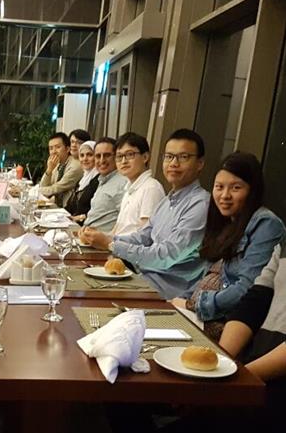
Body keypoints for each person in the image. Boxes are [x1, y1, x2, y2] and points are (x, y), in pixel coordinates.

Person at [73, 238, 286, 433]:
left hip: (277, 392)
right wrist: (222, 363)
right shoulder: (282, 249)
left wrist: (240, 380)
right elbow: (253, 304)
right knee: (127, 391)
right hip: (256, 369)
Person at [171, 152, 285, 335]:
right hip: (199, 314)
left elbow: (247, 288)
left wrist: (192, 304)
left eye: (235, 188)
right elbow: (206, 276)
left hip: (227, 324)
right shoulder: (228, 223)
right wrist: (181, 300)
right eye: (219, 187)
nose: (224, 195)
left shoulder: (266, 224)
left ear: (252, 190)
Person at [89, 129, 210, 299]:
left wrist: (111, 245)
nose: (174, 163)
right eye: (169, 157)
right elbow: (143, 236)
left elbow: (167, 255)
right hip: (143, 279)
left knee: (91, 297)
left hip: (167, 292)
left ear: (200, 163)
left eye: (183, 157)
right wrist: (105, 239)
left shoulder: (200, 204)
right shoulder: (168, 200)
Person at [80, 132, 165, 242]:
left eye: (130, 155)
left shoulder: (151, 188)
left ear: (145, 157)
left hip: (125, 252)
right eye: (120, 156)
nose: (124, 161)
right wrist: (96, 236)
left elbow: (146, 238)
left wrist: (107, 242)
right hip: (115, 247)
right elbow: (118, 231)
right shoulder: (129, 188)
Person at [77, 137, 127, 232]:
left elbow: (125, 223)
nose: (102, 160)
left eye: (107, 155)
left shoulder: (123, 183)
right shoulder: (102, 179)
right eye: (98, 156)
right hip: (86, 234)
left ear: (116, 157)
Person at [39, 132, 83, 208]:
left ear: (67, 149)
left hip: (68, 210)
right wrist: (49, 170)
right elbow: (44, 186)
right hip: (57, 207)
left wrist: (36, 191)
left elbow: (56, 188)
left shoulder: (75, 166)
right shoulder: (56, 165)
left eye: (57, 147)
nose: (53, 151)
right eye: (51, 148)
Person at [65, 140, 99, 221]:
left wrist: (79, 217)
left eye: (89, 155)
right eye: (82, 155)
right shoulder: (81, 181)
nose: (85, 159)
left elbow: (98, 210)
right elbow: (70, 207)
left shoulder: (99, 180)